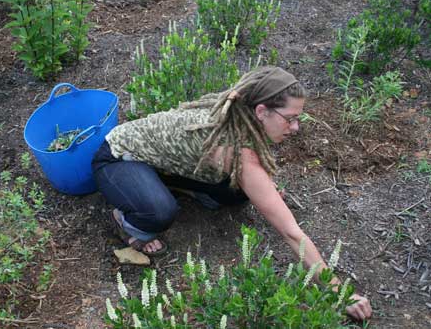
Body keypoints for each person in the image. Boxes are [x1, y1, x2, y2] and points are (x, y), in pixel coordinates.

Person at [92, 66, 372, 320]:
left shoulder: (241, 117)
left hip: (163, 163)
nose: (296, 128)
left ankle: (168, 184)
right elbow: (291, 233)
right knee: (160, 213)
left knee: (242, 192)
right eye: (290, 119)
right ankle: (128, 222)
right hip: (118, 158)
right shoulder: (235, 150)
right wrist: (338, 292)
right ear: (261, 111)